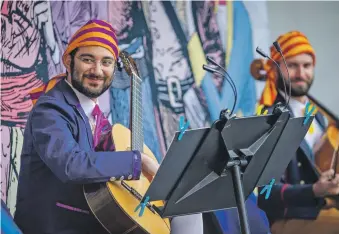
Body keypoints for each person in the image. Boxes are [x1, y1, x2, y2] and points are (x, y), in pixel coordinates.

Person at [14, 19, 203, 234]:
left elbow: (104, 172)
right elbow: (71, 164)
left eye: (106, 62)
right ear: (68, 60)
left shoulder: (96, 116)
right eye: (87, 59)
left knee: (187, 205)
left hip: (93, 220)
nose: (97, 70)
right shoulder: (50, 110)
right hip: (59, 225)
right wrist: (137, 161)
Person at [256, 31, 339, 234]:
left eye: (306, 66)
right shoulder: (269, 119)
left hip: (327, 209)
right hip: (291, 219)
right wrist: (313, 190)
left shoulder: (318, 116)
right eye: (292, 65)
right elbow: (266, 193)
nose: (301, 73)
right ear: (275, 69)